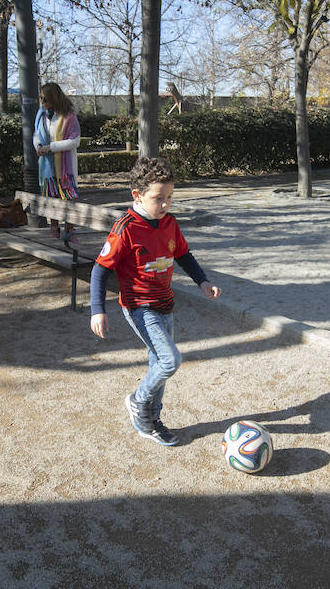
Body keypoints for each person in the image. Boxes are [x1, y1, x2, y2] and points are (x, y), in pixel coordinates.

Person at [90, 157, 221, 446]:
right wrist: (97, 310)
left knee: (157, 364)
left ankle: (151, 420)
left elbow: (183, 254)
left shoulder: (169, 223)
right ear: (137, 195)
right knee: (170, 360)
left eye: (169, 197)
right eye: (158, 198)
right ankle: (138, 401)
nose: (165, 204)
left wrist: (203, 281)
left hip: (165, 303)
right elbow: (100, 269)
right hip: (139, 306)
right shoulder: (126, 228)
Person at [34, 82, 80, 241]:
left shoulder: (69, 116)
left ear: (54, 98)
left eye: (45, 99)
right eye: (41, 99)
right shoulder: (41, 115)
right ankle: (54, 228)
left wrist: (50, 147)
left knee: (68, 199)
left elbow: (74, 141)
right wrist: (38, 146)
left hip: (65, 168)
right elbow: (36, 134)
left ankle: (70, 230)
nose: (43, 102)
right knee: (51, 196)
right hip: (47, 166)